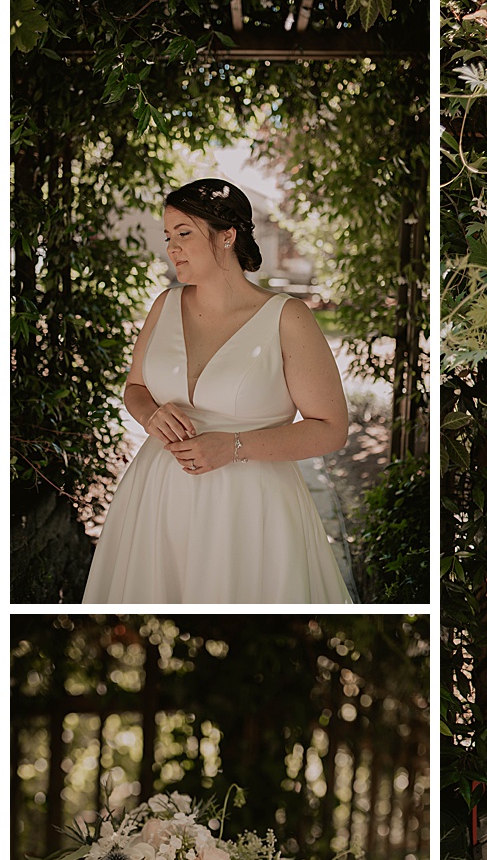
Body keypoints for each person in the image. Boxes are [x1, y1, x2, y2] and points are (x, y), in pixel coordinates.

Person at [82, 178, 352, 603]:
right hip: (157, 497)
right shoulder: (164, 305)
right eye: (168, 237)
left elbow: (331, 429)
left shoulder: (287, 318)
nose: (172, 248)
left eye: (184, 234)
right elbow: (135, 387)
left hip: (250, 507)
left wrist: (234, 447)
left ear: (227, 236)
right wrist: (151, 415)